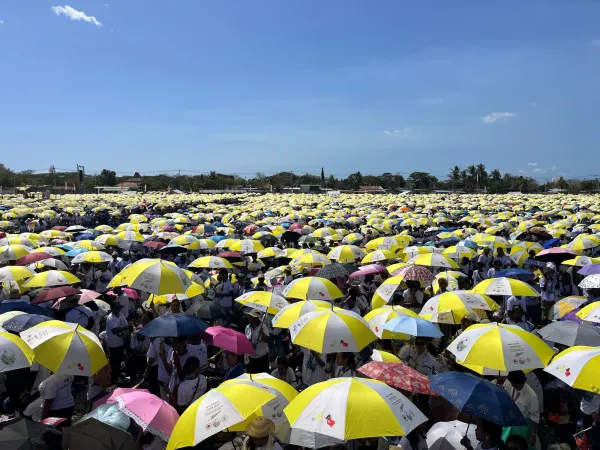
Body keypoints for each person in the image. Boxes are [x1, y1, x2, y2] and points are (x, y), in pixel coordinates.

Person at [503, 370, 540, 448]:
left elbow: (535, 416)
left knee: (519, 445)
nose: (514, 387)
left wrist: (533, 434)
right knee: (505, 443)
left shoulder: (531, 396)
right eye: (513, 384)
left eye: (517, 385)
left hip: (523, 424)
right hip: (509, 420)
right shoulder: (508, 383)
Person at [105, 302, 129, 382]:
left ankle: (118, 374)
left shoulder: (121, 315)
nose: (118, 309)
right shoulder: (110, 318)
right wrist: (125, 327)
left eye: (119, 308)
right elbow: (115, 330)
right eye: (117, 308)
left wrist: (126, 328)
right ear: (112, 309)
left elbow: (126, 324)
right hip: (113, 343)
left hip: (120, 342)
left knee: (119, 359)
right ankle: (114, 378)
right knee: (114, 361)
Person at [245, 310, 270, 374]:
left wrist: (263, 333)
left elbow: (267, 340)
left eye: (250, 318)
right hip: (251, 357)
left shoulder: (263, 327)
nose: (249, 319)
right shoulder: (248, 327)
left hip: (261, 357)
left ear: (255, 319)